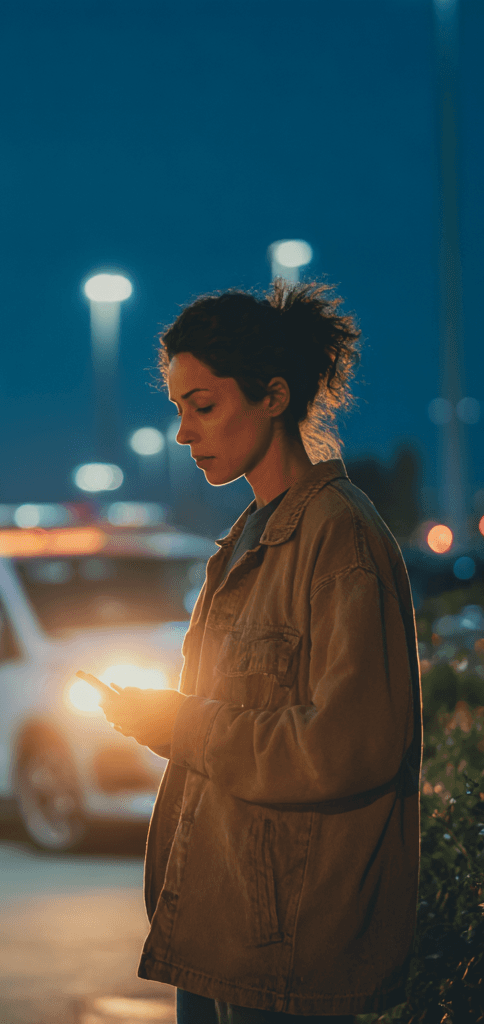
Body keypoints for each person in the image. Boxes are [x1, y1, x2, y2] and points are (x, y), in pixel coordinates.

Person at [98, 281, 421, 1024]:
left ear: (273, 396)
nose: (184, 432)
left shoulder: (340, 536)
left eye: (203, 406)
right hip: (218, 930)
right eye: (178, 407)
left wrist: (183, 725)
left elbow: (347, 747)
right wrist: (161, 719)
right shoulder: (247, 536)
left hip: (290, 953)